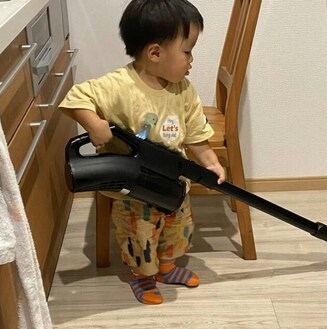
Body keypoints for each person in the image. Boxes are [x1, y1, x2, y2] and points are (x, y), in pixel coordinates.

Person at [59, 0, 225, 305]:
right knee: (139, 237)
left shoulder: (183, 90)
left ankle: (167, 267)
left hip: (173, 182)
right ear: (155, 53)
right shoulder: (118, 86)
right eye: (187, 51)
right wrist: (94, 124)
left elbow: (196, 136)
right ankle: (142, 276)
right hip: (134, 191)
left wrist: (211, 162)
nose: (192, 60)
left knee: (179, 228)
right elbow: (75, 97)